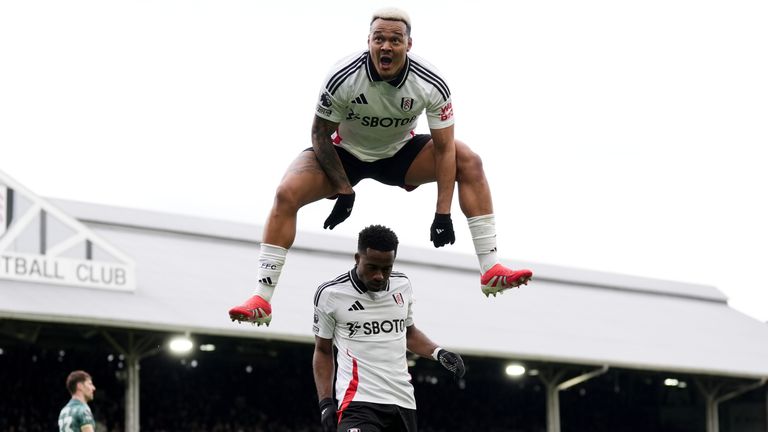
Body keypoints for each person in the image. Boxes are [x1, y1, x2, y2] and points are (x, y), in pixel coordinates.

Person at [229, 7, 532, 326]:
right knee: (286, 192)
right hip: (342, 154)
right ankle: (262, 298)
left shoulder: (430, 82)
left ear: (408, 45)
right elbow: (320, 133)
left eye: (395, 40)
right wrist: (343, 188)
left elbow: (444, 150)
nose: (386, 46)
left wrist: (442, 213)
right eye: (379, 39)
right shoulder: (343, 75)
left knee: (468, 159)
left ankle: (491, 270)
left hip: (400, 155)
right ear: (369, 41)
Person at [312, 224, 465, 432]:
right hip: (358, 401)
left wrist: (439, 353)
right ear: (357, 259)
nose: (380, 276)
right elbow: (323, 350)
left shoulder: (402, 284)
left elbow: (409, 333)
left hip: (403, 401)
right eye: (372, 267)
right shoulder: (331, 294)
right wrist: (326, 402)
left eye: (386, 269)